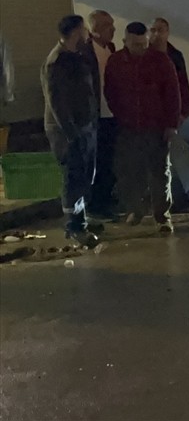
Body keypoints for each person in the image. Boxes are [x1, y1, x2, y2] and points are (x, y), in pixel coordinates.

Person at [105, 22, 181, 233]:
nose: (139, 48)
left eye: (143, 44)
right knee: (130, 171)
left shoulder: (161, 61)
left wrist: (171, 124)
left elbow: (172, 94)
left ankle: (162, 215)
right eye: (135, 44)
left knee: (160, 172)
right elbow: (110, 92)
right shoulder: (115, 62)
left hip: (156, 127)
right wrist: (121, 116)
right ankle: (136, 209)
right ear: (125, 41)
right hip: (128, 127)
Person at [40, 15, 100, 247]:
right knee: (73, 176)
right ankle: (75, 226)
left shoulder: (77, 56)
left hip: (85, 126)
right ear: (76, 31)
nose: (88, 33)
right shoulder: (57, 62)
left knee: (85, 175)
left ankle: (81, 218)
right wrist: (72, 133)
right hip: (67, 131)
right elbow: (57, 103)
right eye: (84, 30)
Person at [80, 10, 118, 218]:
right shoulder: (86, 52)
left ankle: (105, 201)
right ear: (95, 29)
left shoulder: (110, 49)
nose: (113, 29)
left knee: (109, 162)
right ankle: (95, 205)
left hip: (112, 114)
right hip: (95, 117)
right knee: (97, 163)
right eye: (107, 26)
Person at [150, 17, 189, 119]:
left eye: (160, 30)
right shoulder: (143, 55)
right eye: (153, 30)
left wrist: (183, 113)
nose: (156, 34)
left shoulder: (176, 56)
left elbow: (183, 86)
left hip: (173, 112)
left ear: (167, 33)